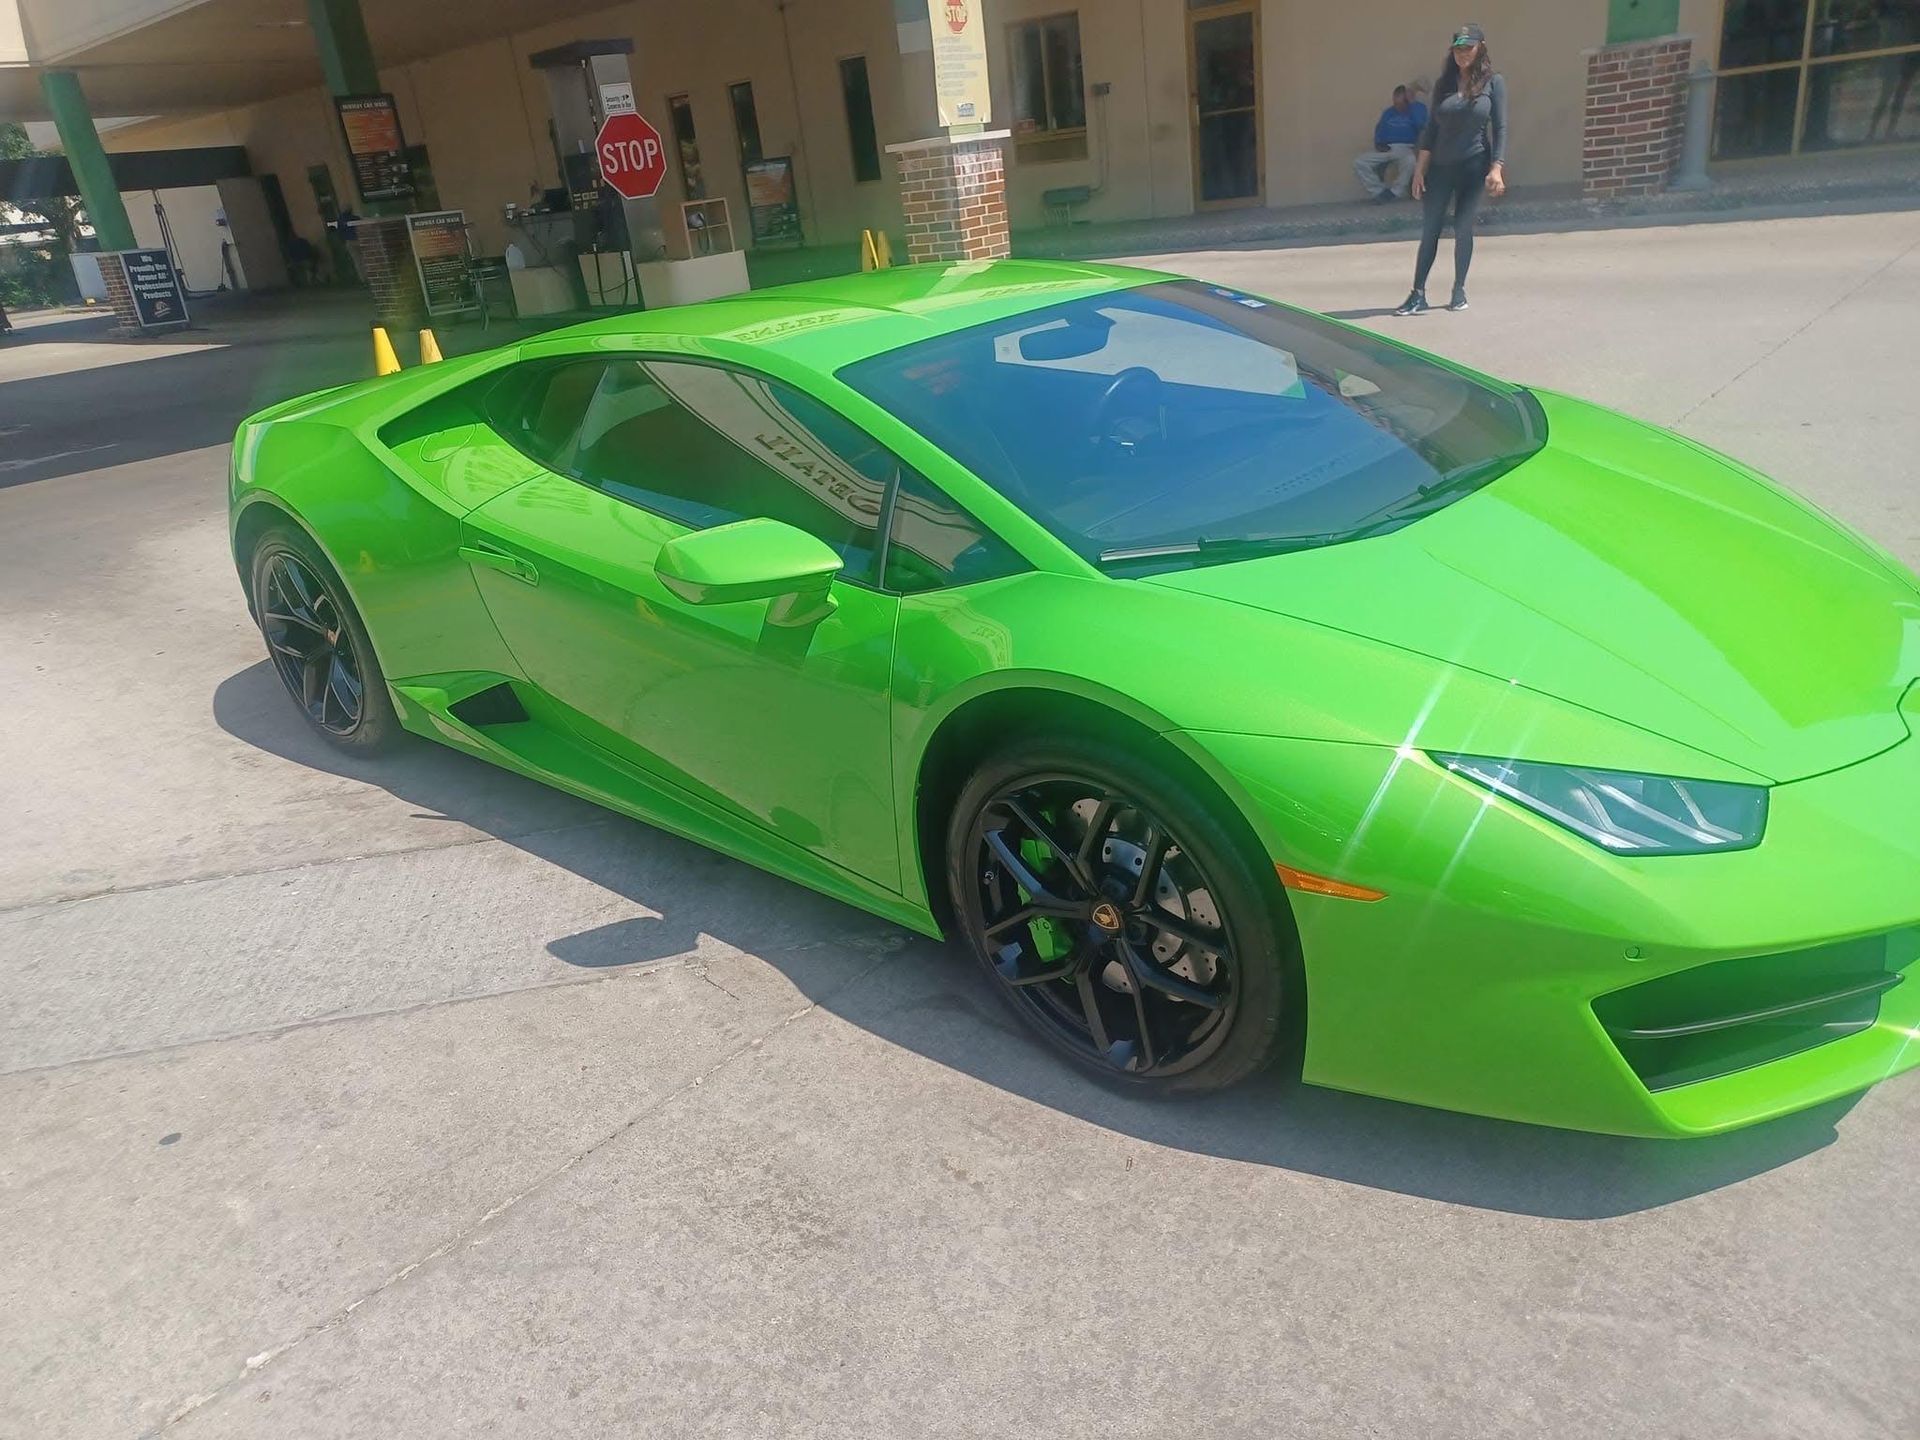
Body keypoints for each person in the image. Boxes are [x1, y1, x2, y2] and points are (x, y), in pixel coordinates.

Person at [1393, 23, 1508, 316]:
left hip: (1474, 166)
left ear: (1480, 47)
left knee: (1462, 227)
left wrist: (1497, 168)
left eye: (1467, 48)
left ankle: (1459, 289)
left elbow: (1501, 127)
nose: (1461, 54)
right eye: (1457, 48)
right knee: (1430, 229)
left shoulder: (1494, 83)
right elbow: (1431, 129)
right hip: (1441, 167)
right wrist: (1420, 169)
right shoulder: (1444, 84)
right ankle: (1417, 294)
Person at [1354, 83, 1429, 202]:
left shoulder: (1418, 109)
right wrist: (1379, 143)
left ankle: (1395, 192)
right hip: (1386, 148)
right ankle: (1378, 191)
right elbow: (1379, 128)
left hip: (1405, 147)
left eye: (1401, 104)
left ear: (1408, 100)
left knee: (1410, 161)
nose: (1397, 107)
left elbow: (1420, 124)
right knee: (1360, 162)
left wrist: (1412, 105)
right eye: (1395, 103)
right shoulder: (1389, 112)